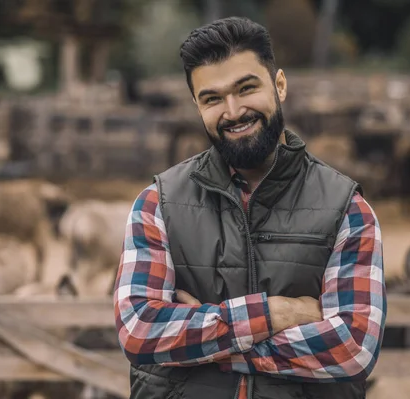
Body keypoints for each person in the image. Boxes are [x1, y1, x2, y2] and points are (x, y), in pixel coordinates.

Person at [113, 16, 386, 399]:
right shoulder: (157, 204)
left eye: (246, 88)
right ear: (197, 105)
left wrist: (208, 339)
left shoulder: (348, 210)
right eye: (212, 98)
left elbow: (352, 348)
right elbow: (139, 331)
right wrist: (277, 314)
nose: (233, 110)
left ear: (279, 85)